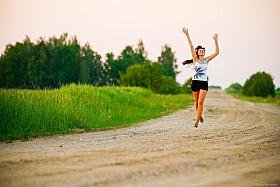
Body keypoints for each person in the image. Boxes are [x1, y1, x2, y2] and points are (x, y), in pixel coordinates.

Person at [182, 27, 219, 128]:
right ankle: (200, 115)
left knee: (201, 102)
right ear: (197, 52)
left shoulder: (206, 60)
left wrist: (216, 41)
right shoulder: (195, 59)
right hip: (195, 82)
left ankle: (197, 121)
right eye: (200, 50)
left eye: (203, 50)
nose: (202, 51)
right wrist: (187, 35)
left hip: (203, 83)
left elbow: (216, 52)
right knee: (196, 102)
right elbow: (191, 45)